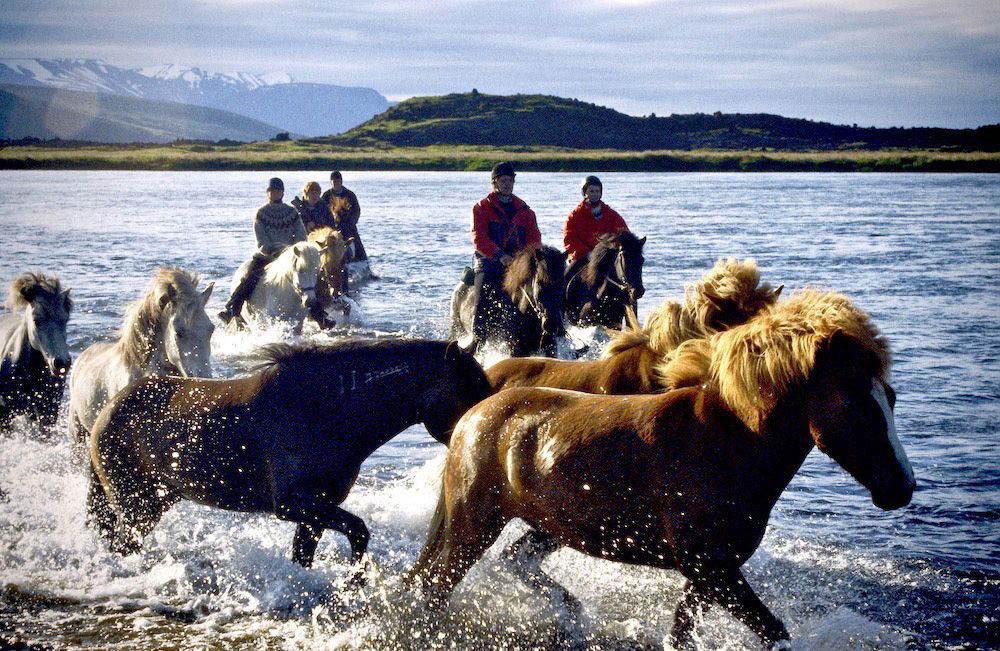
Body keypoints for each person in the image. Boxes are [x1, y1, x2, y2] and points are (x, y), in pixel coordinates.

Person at [218, 177, 308, 327]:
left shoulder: (292, 212)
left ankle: (320, 316)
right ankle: (231, 309)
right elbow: (261, 239)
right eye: (272, 191)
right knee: (249, 278)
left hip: (288, 257)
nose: (275, 193)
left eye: (278, 191)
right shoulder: (261, 213)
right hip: (266, 256)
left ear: (282, 193)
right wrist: (272, 251)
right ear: (268, 193)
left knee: (308, 279)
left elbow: (301, 237)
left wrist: (290, 252)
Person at [469, 161, 542, 342]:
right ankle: (476, 338)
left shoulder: (526, 211)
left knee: (545, 290)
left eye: (510, 181)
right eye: (503, 181)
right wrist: (500, 255)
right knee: (483, 294)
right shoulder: (480, 208)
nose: (507, 184)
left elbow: (534, 240)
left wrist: (524, 259)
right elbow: (479, 238)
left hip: (517, 263)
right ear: (494, 183)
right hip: (489, 261)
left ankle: (553, 331)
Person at [563, 175, 629, 282]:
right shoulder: (574, 216)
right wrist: (587, 253)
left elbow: (625, 235)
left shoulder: (611, 215)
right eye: (591, 191)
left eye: (597, 191)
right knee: (565, 279)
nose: (595, 194)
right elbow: (569, 240)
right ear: (585, 193)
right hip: (582, 258)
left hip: (608, 259)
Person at [322, 171, 367, 261]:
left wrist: (352, 222)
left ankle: (362, 261)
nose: (336, 183)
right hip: (333, 227)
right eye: (334, 181)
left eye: (337, 181)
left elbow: (356, 210)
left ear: (341, 181)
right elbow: (322, 211)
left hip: (349, 226)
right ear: (331, 182)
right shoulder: (326, 196)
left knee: (357, 246)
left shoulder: (350, 195)